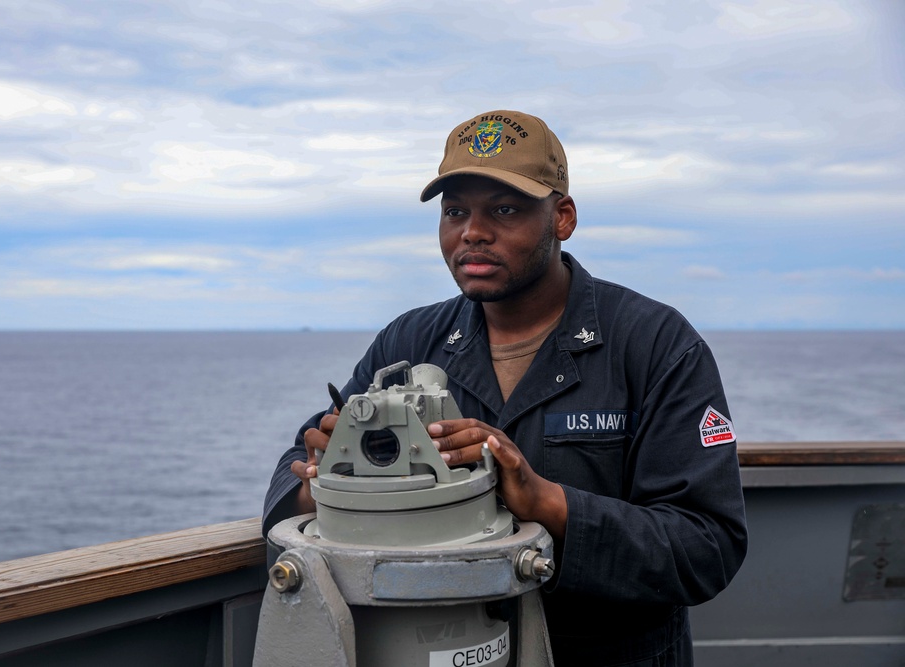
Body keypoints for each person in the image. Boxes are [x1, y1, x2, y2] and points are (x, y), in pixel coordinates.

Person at [262, 109, 748, 666]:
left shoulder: (655, 345)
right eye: (455, 212)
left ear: (562, 218)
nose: (473, 232)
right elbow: (291, 474)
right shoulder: (409, 341)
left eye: (505, 209)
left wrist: (546, 501)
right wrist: (329, 479)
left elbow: (706, 546)